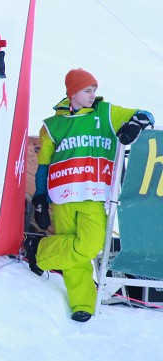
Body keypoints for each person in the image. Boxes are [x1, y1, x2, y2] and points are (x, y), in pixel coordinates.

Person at [25, 69, 153, 322]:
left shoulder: (105, 112)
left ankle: (39, 250)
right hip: (62, 196)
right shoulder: (52, 125)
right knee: (76, 253)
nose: (92, 94)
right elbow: (44, 163)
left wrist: (136, 124)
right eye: (87, 90)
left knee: (90, 246)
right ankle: (82, 304)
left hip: (93, 195)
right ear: (72, 92)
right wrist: (40, 197)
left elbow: (145, 115)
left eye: (94, 89)